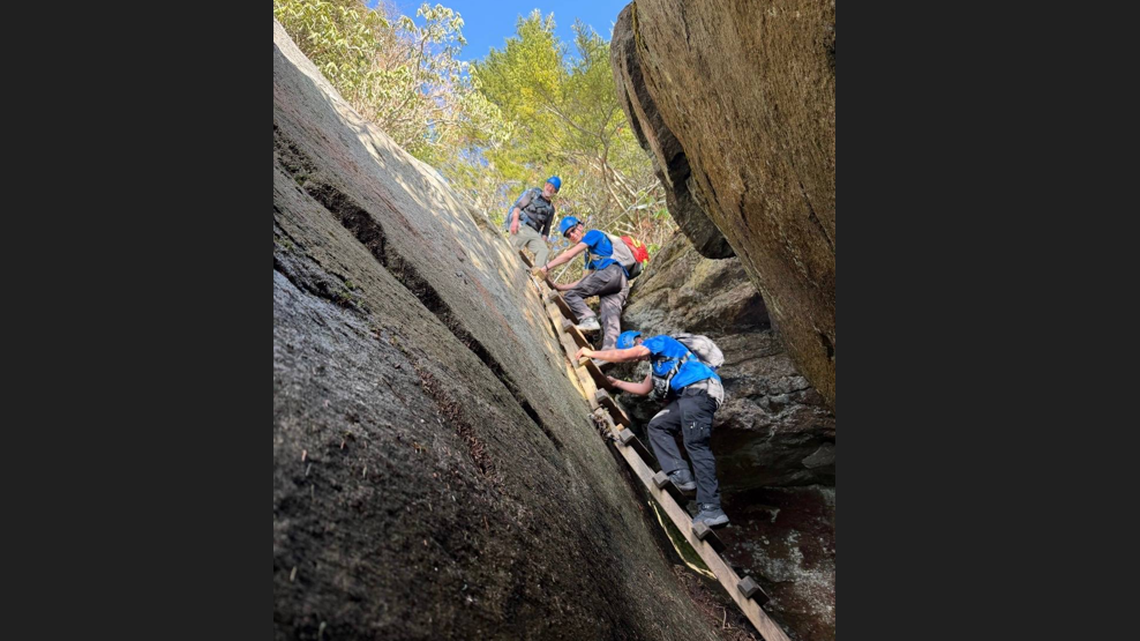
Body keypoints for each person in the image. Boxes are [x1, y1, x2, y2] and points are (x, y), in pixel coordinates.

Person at [575, 330, 729, 527]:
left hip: (701, 389)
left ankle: (711, 509)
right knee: (658, 426)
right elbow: (643, 389)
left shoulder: (661, 341)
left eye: (632, 347)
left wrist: (592, 353)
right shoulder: (656, 367)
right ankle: (680, 475)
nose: (635, 353)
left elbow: (628, 354)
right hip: (688, 395)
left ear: (637, 341)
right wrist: (616, 383)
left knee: (696, 445)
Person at [534, 216, 629, 353]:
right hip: (619, 282)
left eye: (573, 230)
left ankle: (588, 319)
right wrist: (560, 287)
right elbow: (585, 280)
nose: (572, 235)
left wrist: (546, 267)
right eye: (568, 235)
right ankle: (609, 352)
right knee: (610, 317)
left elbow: (569, 255)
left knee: (571, 295)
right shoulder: (589, 255)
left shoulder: (593, 234)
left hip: (611, 273)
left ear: (580, 226)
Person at [507, 176, 561, 267]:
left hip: (534, 233)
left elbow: (546, 230)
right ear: (545, 184)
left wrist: (542, 242)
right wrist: (514, 221)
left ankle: (536, 277)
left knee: (543, 251)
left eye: (553, 188)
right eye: (549, 185)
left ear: (555, 192)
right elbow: (518, 207)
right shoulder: (533, 193)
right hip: (522, 225)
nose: (550, 189)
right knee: (511, 250)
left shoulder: (551, 209)